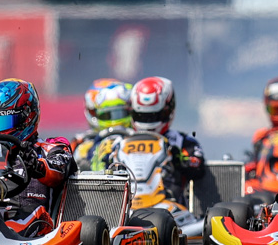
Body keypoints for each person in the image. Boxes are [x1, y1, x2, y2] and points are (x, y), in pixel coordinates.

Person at [0, 78, 74, 235]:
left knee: (30, 219)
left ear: (27, 117)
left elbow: (59, 169)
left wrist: (37, 166)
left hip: (33, 224)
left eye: (4, 122)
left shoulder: (51, 147)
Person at [129, 76, 209, 206]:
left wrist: (180, 159)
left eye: (154, 116)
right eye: (142, 116)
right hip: (128, 205)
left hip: (169, 206)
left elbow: (198, 167)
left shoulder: (182, 141)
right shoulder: (122, 141)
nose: (148, 122)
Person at [75, 81, 134, 169]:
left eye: (121, 113)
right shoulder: (85, 147)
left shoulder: (140, 140)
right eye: (107, 115)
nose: (115, 120)